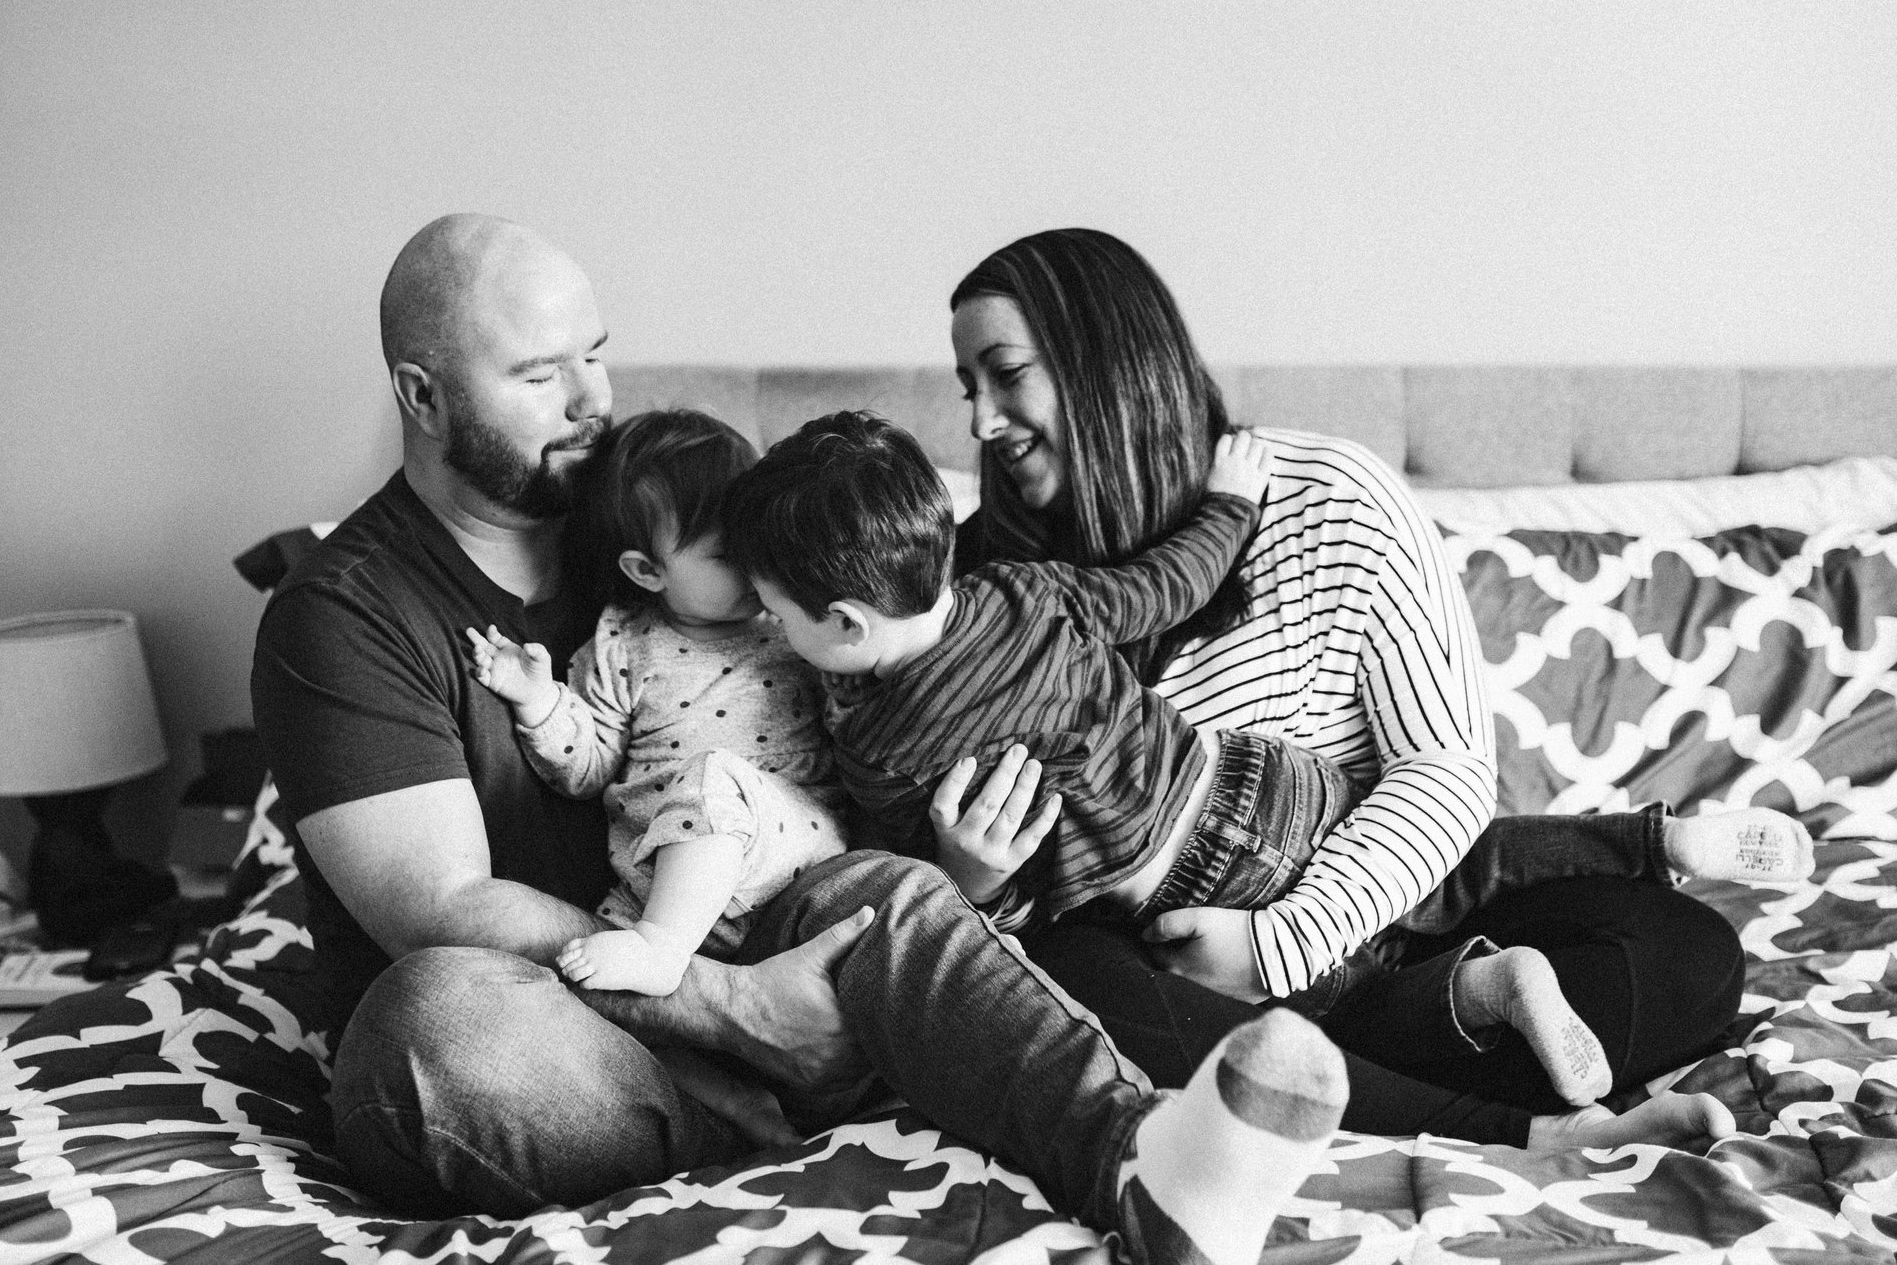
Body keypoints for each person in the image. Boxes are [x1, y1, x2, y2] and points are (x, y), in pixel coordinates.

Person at [250, 212, 1392, 1265]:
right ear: (424, 394)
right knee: (432, 1022)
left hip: (785, 940)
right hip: (576, 1033)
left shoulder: (689, 519)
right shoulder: (346, 610)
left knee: (887, 893)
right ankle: (778, 1109)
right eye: (541, 376)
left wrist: (947, 881)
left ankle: (1140, 1164)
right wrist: (742, 1007)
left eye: (595, 354)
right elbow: (439, 903)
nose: (593, 400)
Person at [934, 226, 1759, 1149]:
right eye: (969, 388)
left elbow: (1445, 769)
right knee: (1070, 985)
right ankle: (1513, 1117)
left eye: (1007, 374)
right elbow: (994, 885)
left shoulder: (1326, 497)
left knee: (1687, 957)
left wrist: (1280, 945)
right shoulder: (970, 589)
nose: (982, 423)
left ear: (1106, 362)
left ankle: (1325, 1076)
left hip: (1384, 913)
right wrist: (973, 881)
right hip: (1163, 964)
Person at [723, 407, 1808, 1107]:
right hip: (1257, 781)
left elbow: (910, 880)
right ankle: (1658, 839)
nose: (983, 418)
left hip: (1189, 892)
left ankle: (1473, 1002)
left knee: (1338, 993)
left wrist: (966, 878)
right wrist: (1229, 507)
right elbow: (1167, 584)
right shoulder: (1024, 587)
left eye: (1004, 376)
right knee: (1470, 864)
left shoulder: (874, 740)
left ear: (848, 622)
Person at [466, 408, 848, 997]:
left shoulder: (792, 624)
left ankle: (662, 952)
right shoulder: (621, 643)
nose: (757, 564)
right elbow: (588, 769)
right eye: (728, 554)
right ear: (647, 571)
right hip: (656, 890)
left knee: (716, 778)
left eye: (760, 541)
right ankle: (687, 1027)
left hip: (788, 858)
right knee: (575, 984)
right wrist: (540, 701)